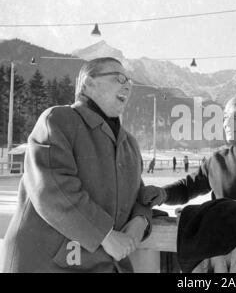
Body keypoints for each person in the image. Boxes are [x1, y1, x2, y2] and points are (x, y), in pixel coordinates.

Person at [0, 57, 152, 273]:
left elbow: (138, 193)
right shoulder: (58, 120)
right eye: (119, 78)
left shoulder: (129, 144)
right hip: (45, 263)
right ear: (89, 83)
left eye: (130, 81)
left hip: (98, 264)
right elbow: (52, 188)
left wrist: (141, 219)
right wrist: (106, 235)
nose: (127, 85)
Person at [140, 94, 236, 205]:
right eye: (225, 117)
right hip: (222, 239)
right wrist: (163, 194)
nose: (227, 123)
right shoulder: (217, 161)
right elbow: (187, 188)